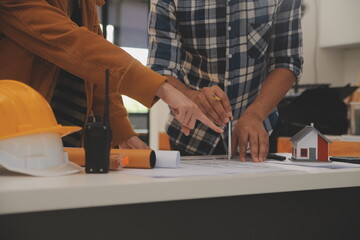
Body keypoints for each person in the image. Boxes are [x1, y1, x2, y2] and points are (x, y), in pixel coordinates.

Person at [0, 0, 222, 149]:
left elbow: (96, 72)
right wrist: (163, 88)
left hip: (65, 144)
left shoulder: (83, 4)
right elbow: (72, 45)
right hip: (14, 141)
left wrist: (123, 133)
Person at [147, 0, 304, 161]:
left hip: (259, 130)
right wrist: (192, 97)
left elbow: (287, 62)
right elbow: (161, 68)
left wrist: (255, 114)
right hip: (191, 134)